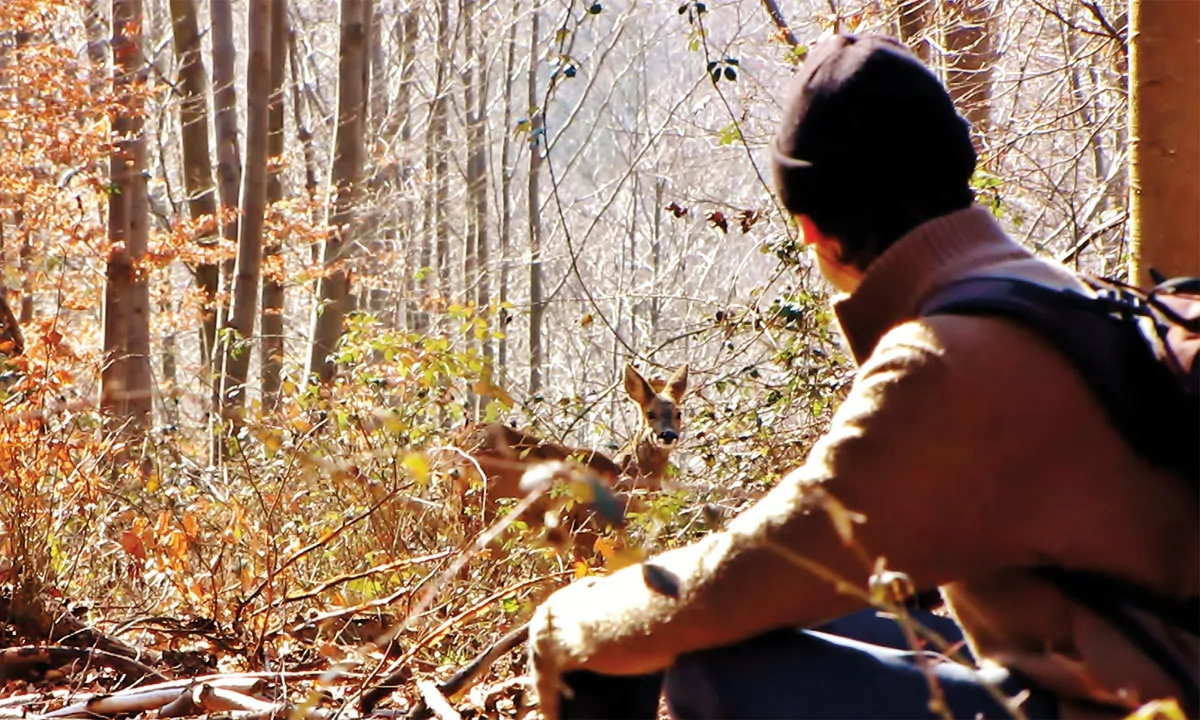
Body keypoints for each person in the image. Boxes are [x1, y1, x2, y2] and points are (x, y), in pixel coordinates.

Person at [525, 33, 1199, 719]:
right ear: (958, 174)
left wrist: (565, 625)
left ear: (812, 230)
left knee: (709, 663)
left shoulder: (945, 358)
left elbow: (743, 578)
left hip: (1132, 699)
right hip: (1122, 660)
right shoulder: (1070, 297)